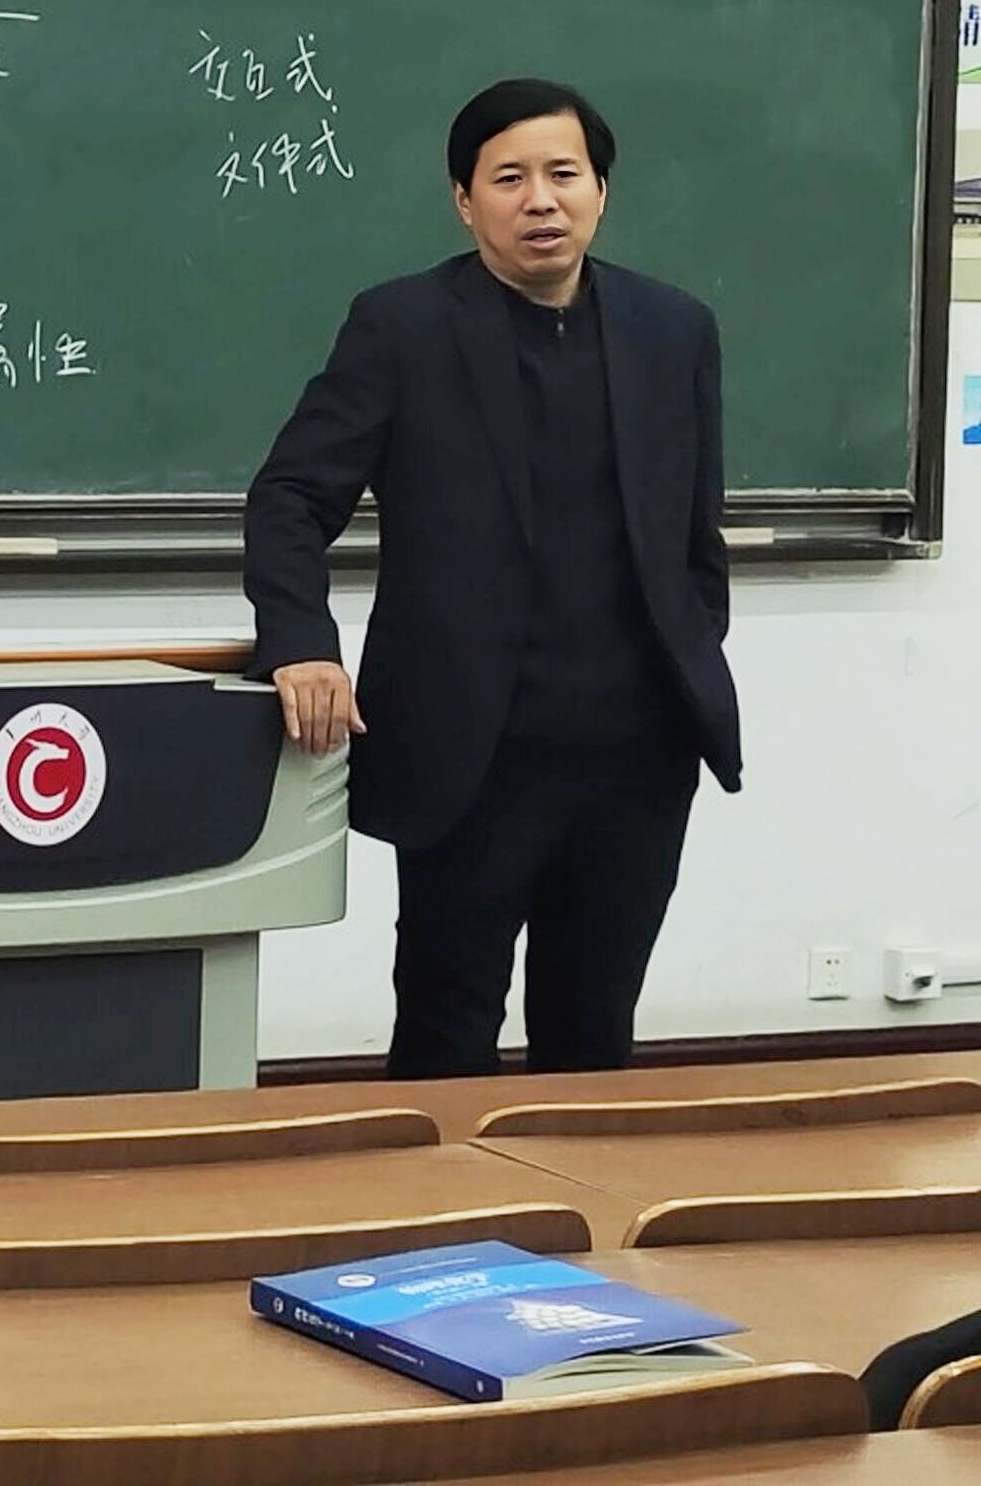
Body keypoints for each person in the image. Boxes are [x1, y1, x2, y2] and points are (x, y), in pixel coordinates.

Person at [242, 77, 740, 1077]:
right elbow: (290, 496)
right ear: (464, 202)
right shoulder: (402, 327)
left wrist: (691, 647)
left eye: (563, 173)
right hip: (470, 754)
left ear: (601, 190)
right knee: (445, 1029)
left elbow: (696, 529)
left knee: (593, 1031)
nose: (540, 200)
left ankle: (577, 1189)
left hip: (636, 756)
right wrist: (300, 645)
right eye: (508, 178)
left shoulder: (674, 329)